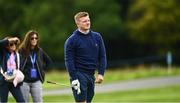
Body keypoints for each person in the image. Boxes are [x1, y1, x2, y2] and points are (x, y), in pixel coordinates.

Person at [64, 11, 107, 103]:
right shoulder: (71, 40)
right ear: (77, 23)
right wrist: (74, 78)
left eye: (88, 20)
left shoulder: (97, 37)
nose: (87, 23)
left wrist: (101, 73)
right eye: (84, 21)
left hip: (91, 75)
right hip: (79, 74)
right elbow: (69, 61)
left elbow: (102, 56)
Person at [19, 30, 52, 103]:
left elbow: (48, 61)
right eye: (32, 38)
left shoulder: (39, 51)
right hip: (24, 81)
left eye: (36, 38)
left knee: (38, 101)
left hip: (36, 81)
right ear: (28, 39)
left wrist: (42, 69)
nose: (34, 40)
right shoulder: (21, 51)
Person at [0, 36, 25, 102]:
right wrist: (12, 39)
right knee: (3, 101)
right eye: (11, 44)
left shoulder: (18, 55)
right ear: (6, 46)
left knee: (21, 101)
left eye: (15, 44)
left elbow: (20, 68)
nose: (14, 45)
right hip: (4, 82)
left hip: (14, 81)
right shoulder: (2, 54)